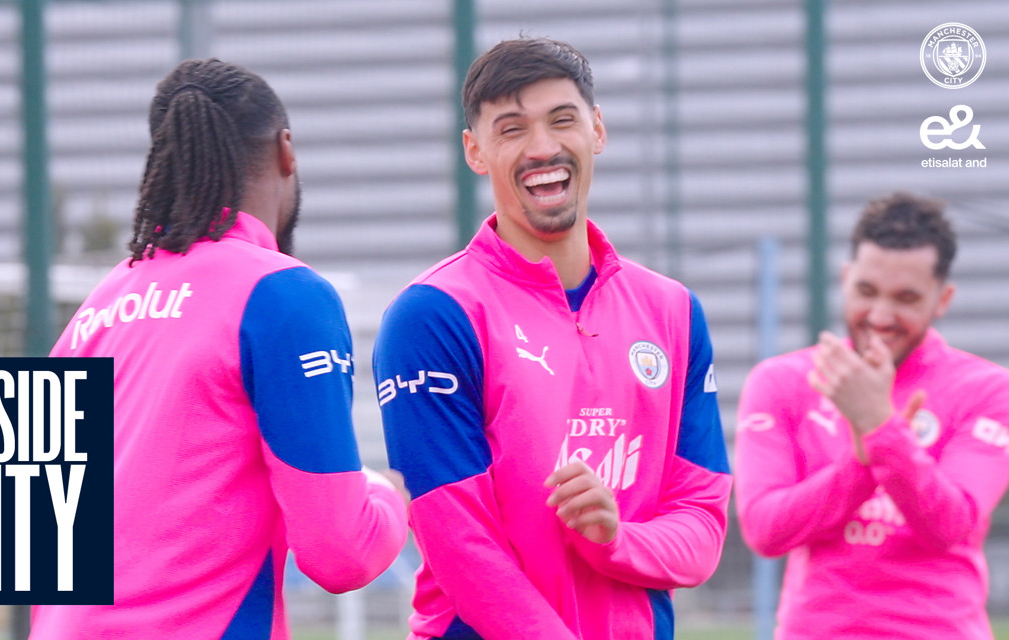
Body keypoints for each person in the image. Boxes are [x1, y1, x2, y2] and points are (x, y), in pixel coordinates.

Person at [29, 58, 408, 639]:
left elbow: (19, 552)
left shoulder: (92, 311)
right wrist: (389, 492)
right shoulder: (284, 295)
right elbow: (341, 553)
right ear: (286, 152)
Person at [372, 37, 732, 639]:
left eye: (562, 120)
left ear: (597, 129)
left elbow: (700, 528)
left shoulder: (672, 311)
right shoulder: (433, 315)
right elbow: (462, 546)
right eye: (512, 129)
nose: (542, 148)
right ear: (475, 151)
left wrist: (614, 540)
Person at [735, 191, 1009, 639]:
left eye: (906, 298)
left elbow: (951, 525)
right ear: (846, 279)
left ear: (942, 299)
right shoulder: (783, 381)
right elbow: (765, 530)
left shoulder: (987, 389)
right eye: (866, 291)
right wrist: (861, 463)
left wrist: (881, 429)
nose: (880, 316)